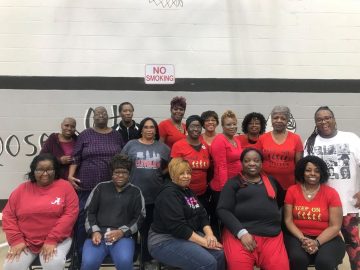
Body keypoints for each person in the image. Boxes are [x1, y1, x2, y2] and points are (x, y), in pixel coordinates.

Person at [304, 106, 360, 270]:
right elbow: (306, 172)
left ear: (334, 119)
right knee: (327, 247)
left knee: (354, 246)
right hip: (322, 206)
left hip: (349, 205)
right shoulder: (311, 142)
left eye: (327, 117)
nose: (324, 121)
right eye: (319, 119)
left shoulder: (351, 138)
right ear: (315, 123)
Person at [3, 153, 79, 270]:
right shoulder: (21, 190)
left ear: (55, 170)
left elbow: (70, 215)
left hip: (57, 240)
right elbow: (8, 216)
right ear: (33, 171)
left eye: (49, 170)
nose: (45, 174)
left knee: (53, 263)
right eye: (40, 170)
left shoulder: (66, 187)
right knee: (11, 266)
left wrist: (52, 239)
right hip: (26, 241)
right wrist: (16, 240)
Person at [217, 148, 288, 270]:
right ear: (242, 163)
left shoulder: (271, 181)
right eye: (247, 160)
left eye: (256, 160)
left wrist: (277, 217)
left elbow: (282, 202)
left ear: (262, 163)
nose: (252, 163)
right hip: (240, 234)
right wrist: (241, 233)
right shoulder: (233, 183)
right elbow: (222, 210)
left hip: (272, 236)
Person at [148, 158, 225, 270]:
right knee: (208, 263)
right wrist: (205, 242)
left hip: (186, 236)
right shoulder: (168, 194)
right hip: (164, 241)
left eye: (188, 173)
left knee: (220, 255)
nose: (186, 176)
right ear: (173, 174)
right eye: (181, 173)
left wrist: (210, 235)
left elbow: (202, 214)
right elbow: (178, 228)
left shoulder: (187, 190)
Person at [68, 106, 124, 258]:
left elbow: (122, 159)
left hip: (111, 186)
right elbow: (76, 157)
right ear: (93, 117)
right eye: (98, 113)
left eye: (104, 113)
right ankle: (80, 253)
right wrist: (70, 176)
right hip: (87, 185)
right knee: (83, 217)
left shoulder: (116, 135)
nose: (101, 115)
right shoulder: (85, 135)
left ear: (109, 117)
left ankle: (109, 250)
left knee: (110, 217)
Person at [81, 154, 145, 270]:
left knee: (125, 261)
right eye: (117, 172)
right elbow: (89, 212)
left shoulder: (135, 192)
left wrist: (122, 232)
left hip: (123, 237)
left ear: (129, 174)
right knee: (88, 263)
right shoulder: (100, 188)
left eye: (124, 172)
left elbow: (139, 217)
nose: (120, 175)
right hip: (98, 236)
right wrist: (94, 231)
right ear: (112, 173)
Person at [121, 117, 170, 265]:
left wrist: (162, 172)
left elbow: (173, 163)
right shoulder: (131, 145)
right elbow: (121, 163)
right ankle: (130, 257)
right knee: (132, 229)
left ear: (156, 130)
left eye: (152, 127)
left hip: (154, 197)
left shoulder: (162, 147)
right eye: (146, 127)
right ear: (141, 129)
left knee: (148, 230)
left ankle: (146, 259)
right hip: (133, 196)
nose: (149, 130)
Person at [284, 156, 345, 270]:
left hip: (328, 238)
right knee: (297, 259)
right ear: (302, 172)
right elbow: (288, 220)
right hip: (299, 237)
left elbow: (335, 226)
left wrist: (316, 242)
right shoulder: (292, 191)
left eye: (317, 171)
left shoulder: (331, 193)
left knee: (324, 262)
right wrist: (303, 239)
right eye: (308, 170)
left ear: (322, 173)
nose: (312, 173)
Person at [258, 105, 303, 190]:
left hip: (289, 186)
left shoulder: (296, 138)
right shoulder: (262, 138)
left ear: (287, 121)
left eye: (283, 118)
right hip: (266, 186)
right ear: (271, 120)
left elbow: (299, 165)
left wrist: (299, 185)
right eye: (275, 118)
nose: (279, 120)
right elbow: (258, 163)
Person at [171, 115, 211, 211]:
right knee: (190, 217)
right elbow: (173, 171)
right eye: (192, 126)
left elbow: (210, 169)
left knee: (201, 219)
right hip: (184, 193)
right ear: (187, 128)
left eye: (198, 126)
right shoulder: (178, 145)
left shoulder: (205, 146)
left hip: (202, 193)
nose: (196, 129)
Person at [209, 110, 242, 202]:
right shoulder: (220, 140)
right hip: (223, 187)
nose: (232, 127)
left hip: (236, 183)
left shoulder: (236, 140)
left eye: (234, 124)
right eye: (228, 125)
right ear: (222, 126)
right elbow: (221, 167)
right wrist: (225, 189)